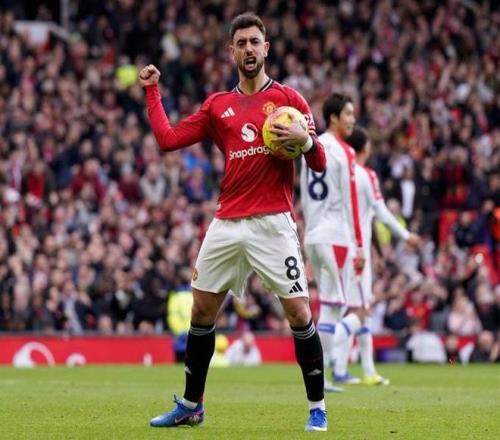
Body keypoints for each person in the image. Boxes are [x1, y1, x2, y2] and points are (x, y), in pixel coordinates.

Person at [139, 12, 328, 432]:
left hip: (273, 223)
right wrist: (152, 91)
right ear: (232, 52)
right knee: (201, 310)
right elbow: (168, 139)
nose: (248, 49)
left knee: (299, 313)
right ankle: (192, 405)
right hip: (226, 222)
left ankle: (317, 407)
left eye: (254, 42)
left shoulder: (291, 102)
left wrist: (306, 141)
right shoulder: (218, 106)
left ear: (266, 48)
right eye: (241, 43)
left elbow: (320, 163)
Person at [344, 127, 420, 383]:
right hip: (358, 250)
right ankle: (339, 361)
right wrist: (405, 235)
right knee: (361, 308)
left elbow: (367, 218)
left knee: (351, 307)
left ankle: (358, 369)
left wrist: (376, 251)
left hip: (339, 245)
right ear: (365, 148)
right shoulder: (366, 175)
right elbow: (382, 214)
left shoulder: (340, 173)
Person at [300, 93, 366, 389]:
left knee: (329, 304)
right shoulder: (345, 152)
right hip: (336, 235)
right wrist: (360, 246)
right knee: (334, 305)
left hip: (314, 234)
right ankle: (322, 370)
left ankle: (322, 371)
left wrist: (306, 238)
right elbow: (351, 203)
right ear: (334, 117)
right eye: (348, 114)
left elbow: (304, 195)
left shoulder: (310, 145)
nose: (352, 119)